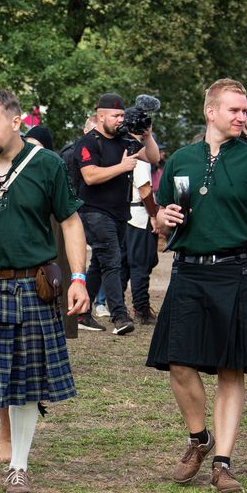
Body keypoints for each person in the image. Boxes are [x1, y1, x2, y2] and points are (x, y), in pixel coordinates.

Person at [0, 89, 90, 493]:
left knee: (26, 381)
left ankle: (19, 468)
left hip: (33, 284)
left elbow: (71, 222)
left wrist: (78, 277)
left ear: (15, 121)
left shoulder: (47, 165)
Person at [148, 78, 247, 493]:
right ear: (211, 112)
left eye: (246, 111)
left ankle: (223, 462)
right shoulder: (181, 160)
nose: (243, 117)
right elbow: (160, 219)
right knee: (178, 362)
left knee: (231, 367)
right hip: (189, 270)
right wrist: (163, 219)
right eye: (234, 110)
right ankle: (199, 439)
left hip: (237, 270)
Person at [71, 93, 160, 335]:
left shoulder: (124, 140)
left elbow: (153, 157)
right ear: (101, 116)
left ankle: (82, 313)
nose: (120, 120)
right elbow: (89, 176)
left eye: (122, 115)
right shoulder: (88, 142)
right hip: (93, 211)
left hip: (118, 213)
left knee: (100, 263)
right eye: (115, 115)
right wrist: (122, 167)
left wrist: (147, 135)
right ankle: (120, 316)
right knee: (112, 259)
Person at [124, 157, 160, 324]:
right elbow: (144, 188)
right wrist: (153, 214)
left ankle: (117, 308)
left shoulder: (118, 150)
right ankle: (141, 309)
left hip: (123, 215)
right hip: (138, 215)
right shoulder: (140, 157)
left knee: (122, 265)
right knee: (141, 264)